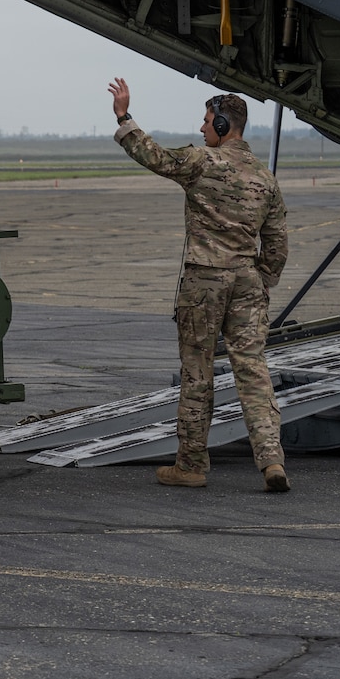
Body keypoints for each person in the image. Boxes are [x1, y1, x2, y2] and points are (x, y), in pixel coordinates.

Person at [107, 79, 291, 492]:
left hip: (204, 282)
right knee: (254, 373)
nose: (203, 127)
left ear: (225, 125)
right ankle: (272, 462)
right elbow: (277, 243)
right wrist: (261, 279)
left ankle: (190, 465)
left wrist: (124, 117)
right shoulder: (266, 178)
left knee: (197, 375)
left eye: (208, 121)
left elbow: (153, 156)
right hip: (246, 282)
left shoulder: (202, 162)